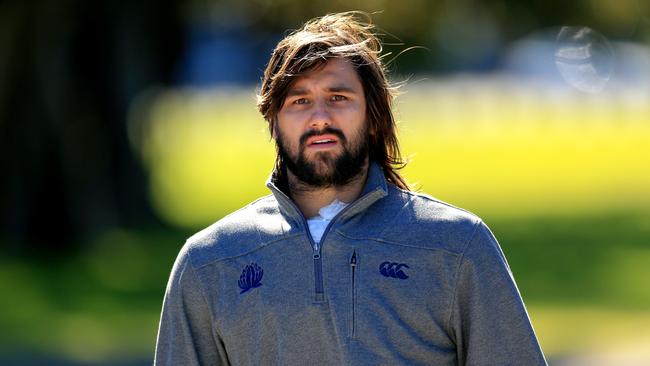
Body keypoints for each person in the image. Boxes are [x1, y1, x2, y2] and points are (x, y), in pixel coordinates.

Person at [154, 12, 547, 366]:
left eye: (338, 98)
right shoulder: (210, 262)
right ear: (273, 121)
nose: (319, 118)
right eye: (299, 101)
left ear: (374, 116)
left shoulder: (457, 245)